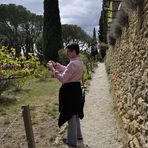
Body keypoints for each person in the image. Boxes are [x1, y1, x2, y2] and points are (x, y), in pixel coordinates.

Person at [47, 43, 84, 147]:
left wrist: (53, 69)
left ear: (73, 51)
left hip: (69, 91)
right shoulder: (79, 62)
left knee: (70, 115)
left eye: (68, 51)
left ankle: (71, 142)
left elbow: (63, 79)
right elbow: (68, 70)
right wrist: (57, 66)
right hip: (76, 89)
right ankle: (78, 136)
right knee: (75, 113)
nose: (67, 53)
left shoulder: (72, 63)